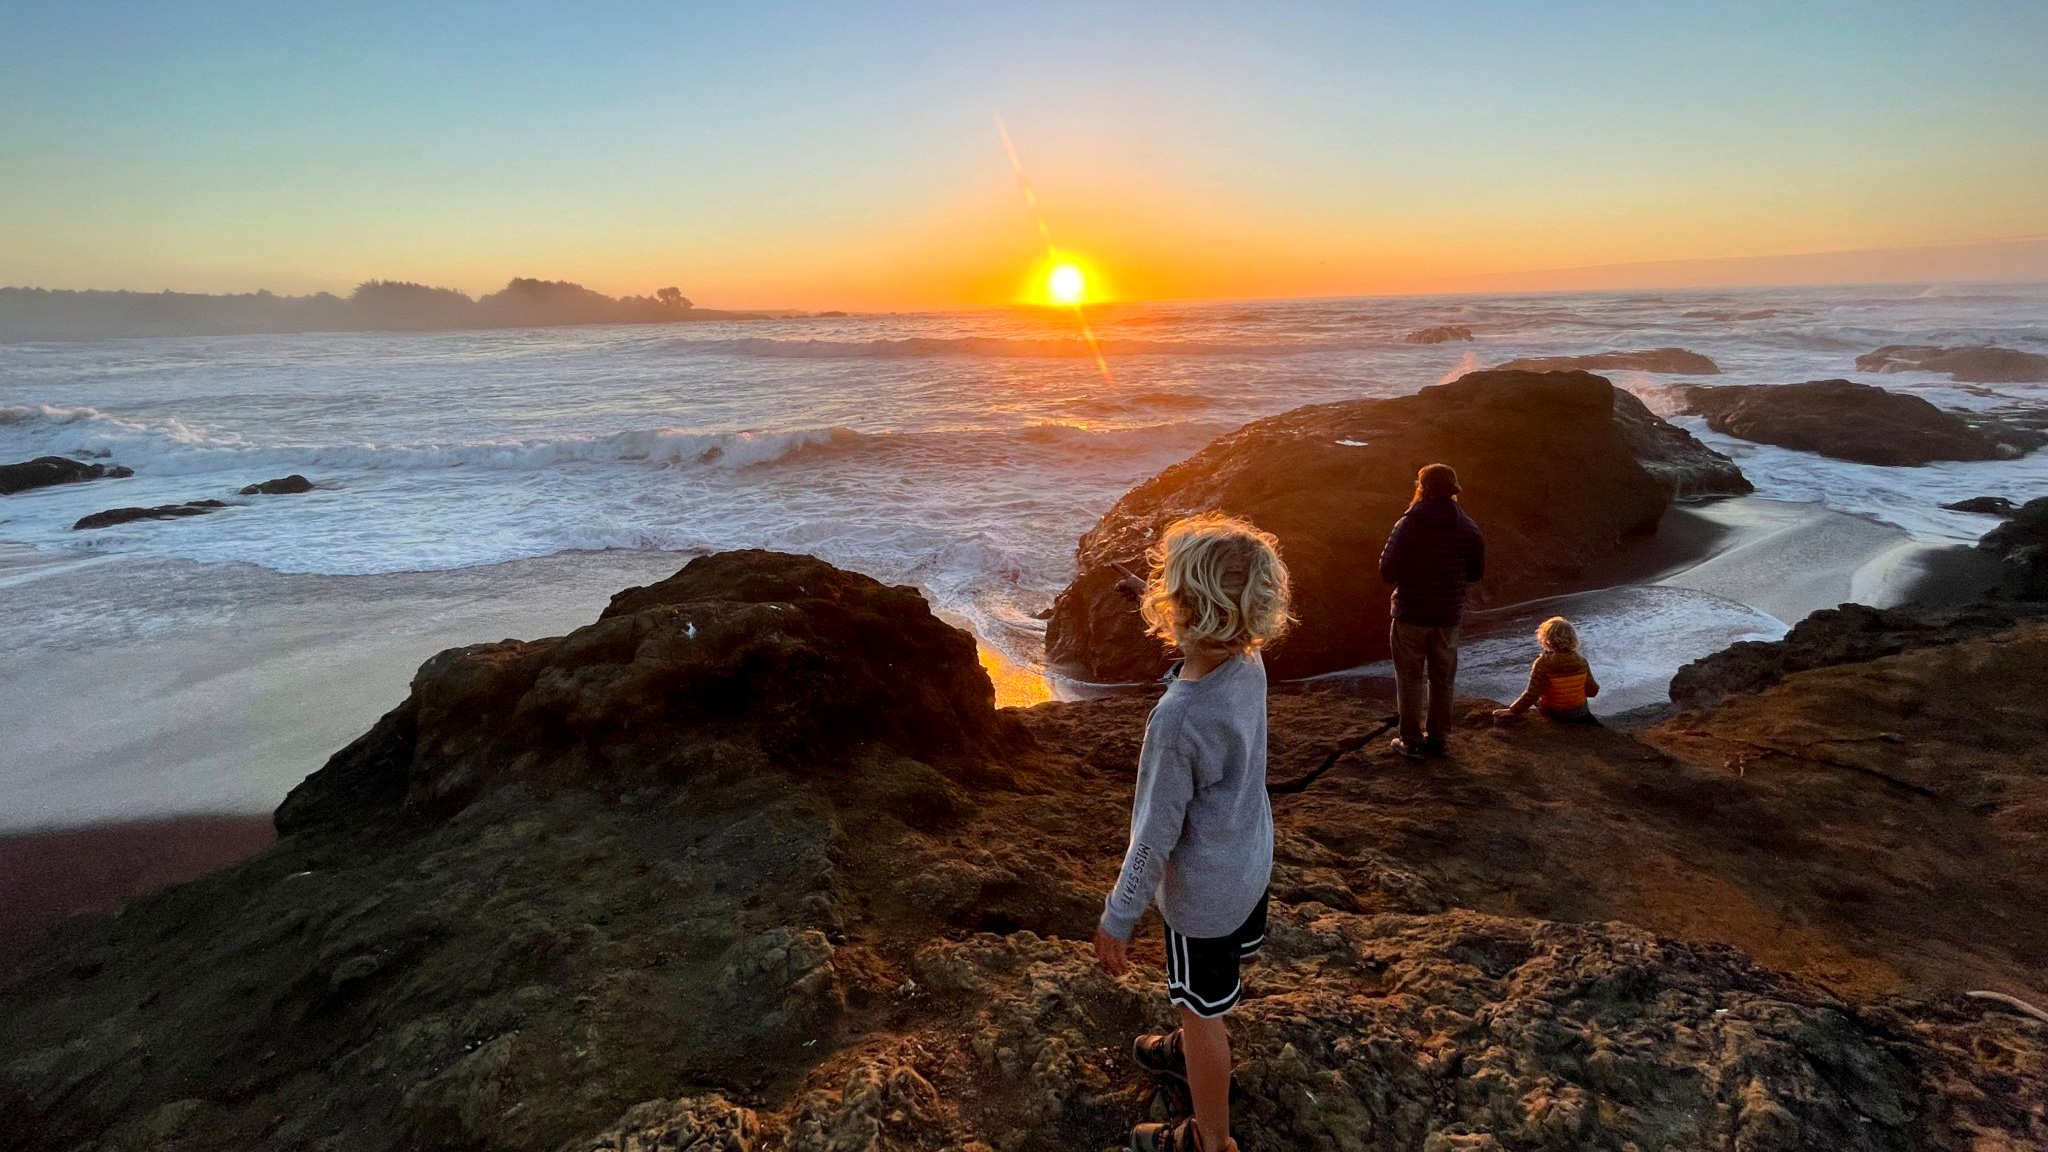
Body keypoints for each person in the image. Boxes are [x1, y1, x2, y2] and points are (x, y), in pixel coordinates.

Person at [1094, 513, 1292, 1152]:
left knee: (1201, 1013)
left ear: (1183, 610)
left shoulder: (1176, 721)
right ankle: (1193, 1044)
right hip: (1249, 865)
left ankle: (1210, 1137)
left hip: (1204, 899)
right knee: (1214, 992)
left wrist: (1119, 915)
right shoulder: (1249, 662)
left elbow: (1153, 834)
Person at [1378, 463, 1486, 759]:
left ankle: (1410, 739)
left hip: (1410, 613)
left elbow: (1387, 570)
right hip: (1448, 616)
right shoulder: (1468, 526)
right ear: (1454, 490)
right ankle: (1438, 738)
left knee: (1410, 677)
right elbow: (1476, 573)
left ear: (1422, 487)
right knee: (1443, 678)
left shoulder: (1409, 524)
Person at [1493, 616, 1602, 725]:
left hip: (1555, 713)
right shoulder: (1581, 661)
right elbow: (1592, 691)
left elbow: (1531, 695)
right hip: (1579, 712)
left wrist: (1512, 710)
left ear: (1547, 640)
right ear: (1573, 638)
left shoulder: (1543, 663)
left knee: (1537, 699)